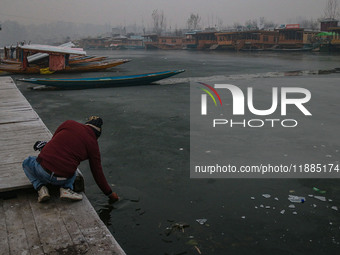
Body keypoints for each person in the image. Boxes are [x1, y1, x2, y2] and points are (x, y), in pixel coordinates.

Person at [22, 116, 119, 203]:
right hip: (61, 179)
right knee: (73, 167)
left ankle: (40, 188)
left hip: (42, 171)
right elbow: (97, 173)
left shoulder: (68, 123)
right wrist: (109, 193)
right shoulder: (94, 146)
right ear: (97, 135)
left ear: (86, 125)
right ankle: (66, 189)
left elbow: (53, 141)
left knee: (27, 162)